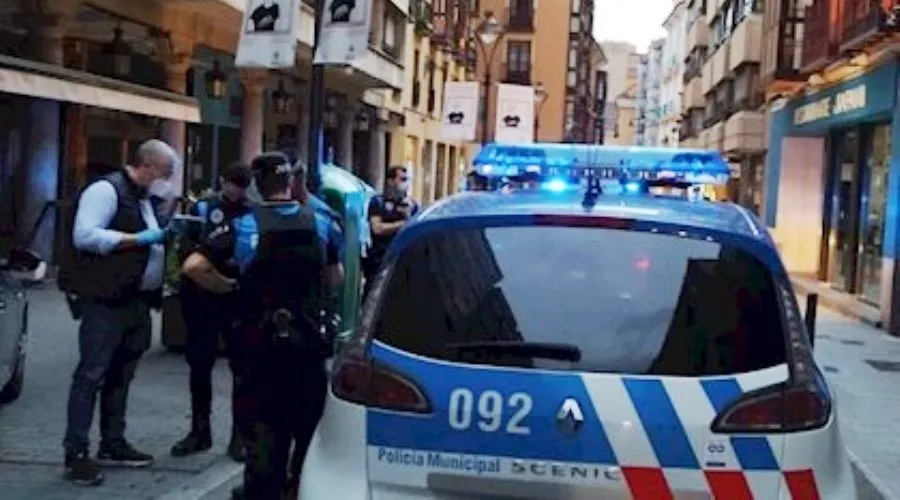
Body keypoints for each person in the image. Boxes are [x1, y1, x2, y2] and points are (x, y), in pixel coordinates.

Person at [182, 152, 343, 500]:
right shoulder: (321, 222)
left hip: (258, 347)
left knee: (263, 439)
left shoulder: (243, 224)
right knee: (307, 434)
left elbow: (194, 266)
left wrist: (229, 287)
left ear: (256, 183)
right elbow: (336, 276)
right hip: (307, 346)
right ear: (291, 182)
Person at [60, 139, 181, 486]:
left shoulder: (143, 197)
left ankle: (113, 441)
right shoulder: (106, 190)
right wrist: (139, 239)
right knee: (91, 374)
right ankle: (76, 451)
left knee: (121, 374)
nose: (168, 180)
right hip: (106, 299)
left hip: (136, 300)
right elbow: (85, 235)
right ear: (147, 165)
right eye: (166, 172)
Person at [170, 163, 254, 461]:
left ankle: (240, 436)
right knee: (199, 366)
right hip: (201, 296)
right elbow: (187, 251)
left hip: (236, 300)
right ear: (223, 181)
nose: (238, 191)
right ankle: (199, 431)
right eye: (234, 184)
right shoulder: (204, 208)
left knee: (241, 370)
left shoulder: (252, 212)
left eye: (243, 185)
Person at [363, 165, 418, 299]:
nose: (405, 184)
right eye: (402, 179)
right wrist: (402, 224)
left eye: (407, 180)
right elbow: (377, 228)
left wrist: (408, 216)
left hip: (401, 261)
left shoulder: (412, 205)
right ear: (391, 181)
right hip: (379, 259)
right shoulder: (378, 202)